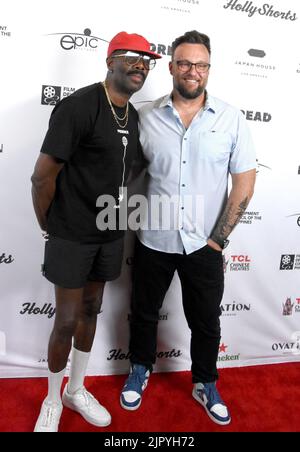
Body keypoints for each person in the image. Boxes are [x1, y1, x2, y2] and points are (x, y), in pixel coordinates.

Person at [120, 30, 256, 426]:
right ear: (172, 66)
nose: (191, 71)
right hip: (153, 237)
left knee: (206, 321)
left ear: (208, 69)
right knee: (143, 312)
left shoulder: (232, 119)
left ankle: (205, 382)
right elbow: (128, 171)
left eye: (200, 64)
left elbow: (244, 181)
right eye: (184, 63)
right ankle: (140, 369)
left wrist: (219, 239)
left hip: (204, 244)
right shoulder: (146, 116)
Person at [31, 31, 161, 433]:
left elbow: (130, 167)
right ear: (110, 61)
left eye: (146, 60)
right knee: (66, 321)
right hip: (71, 234)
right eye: (131, 57)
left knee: (90, 311)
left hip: (109, 232)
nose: (140, 65)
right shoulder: (79, 106)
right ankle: (52, 400)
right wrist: (50, 225)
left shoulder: (134, 115)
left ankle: (76, 389)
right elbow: (41, 178)